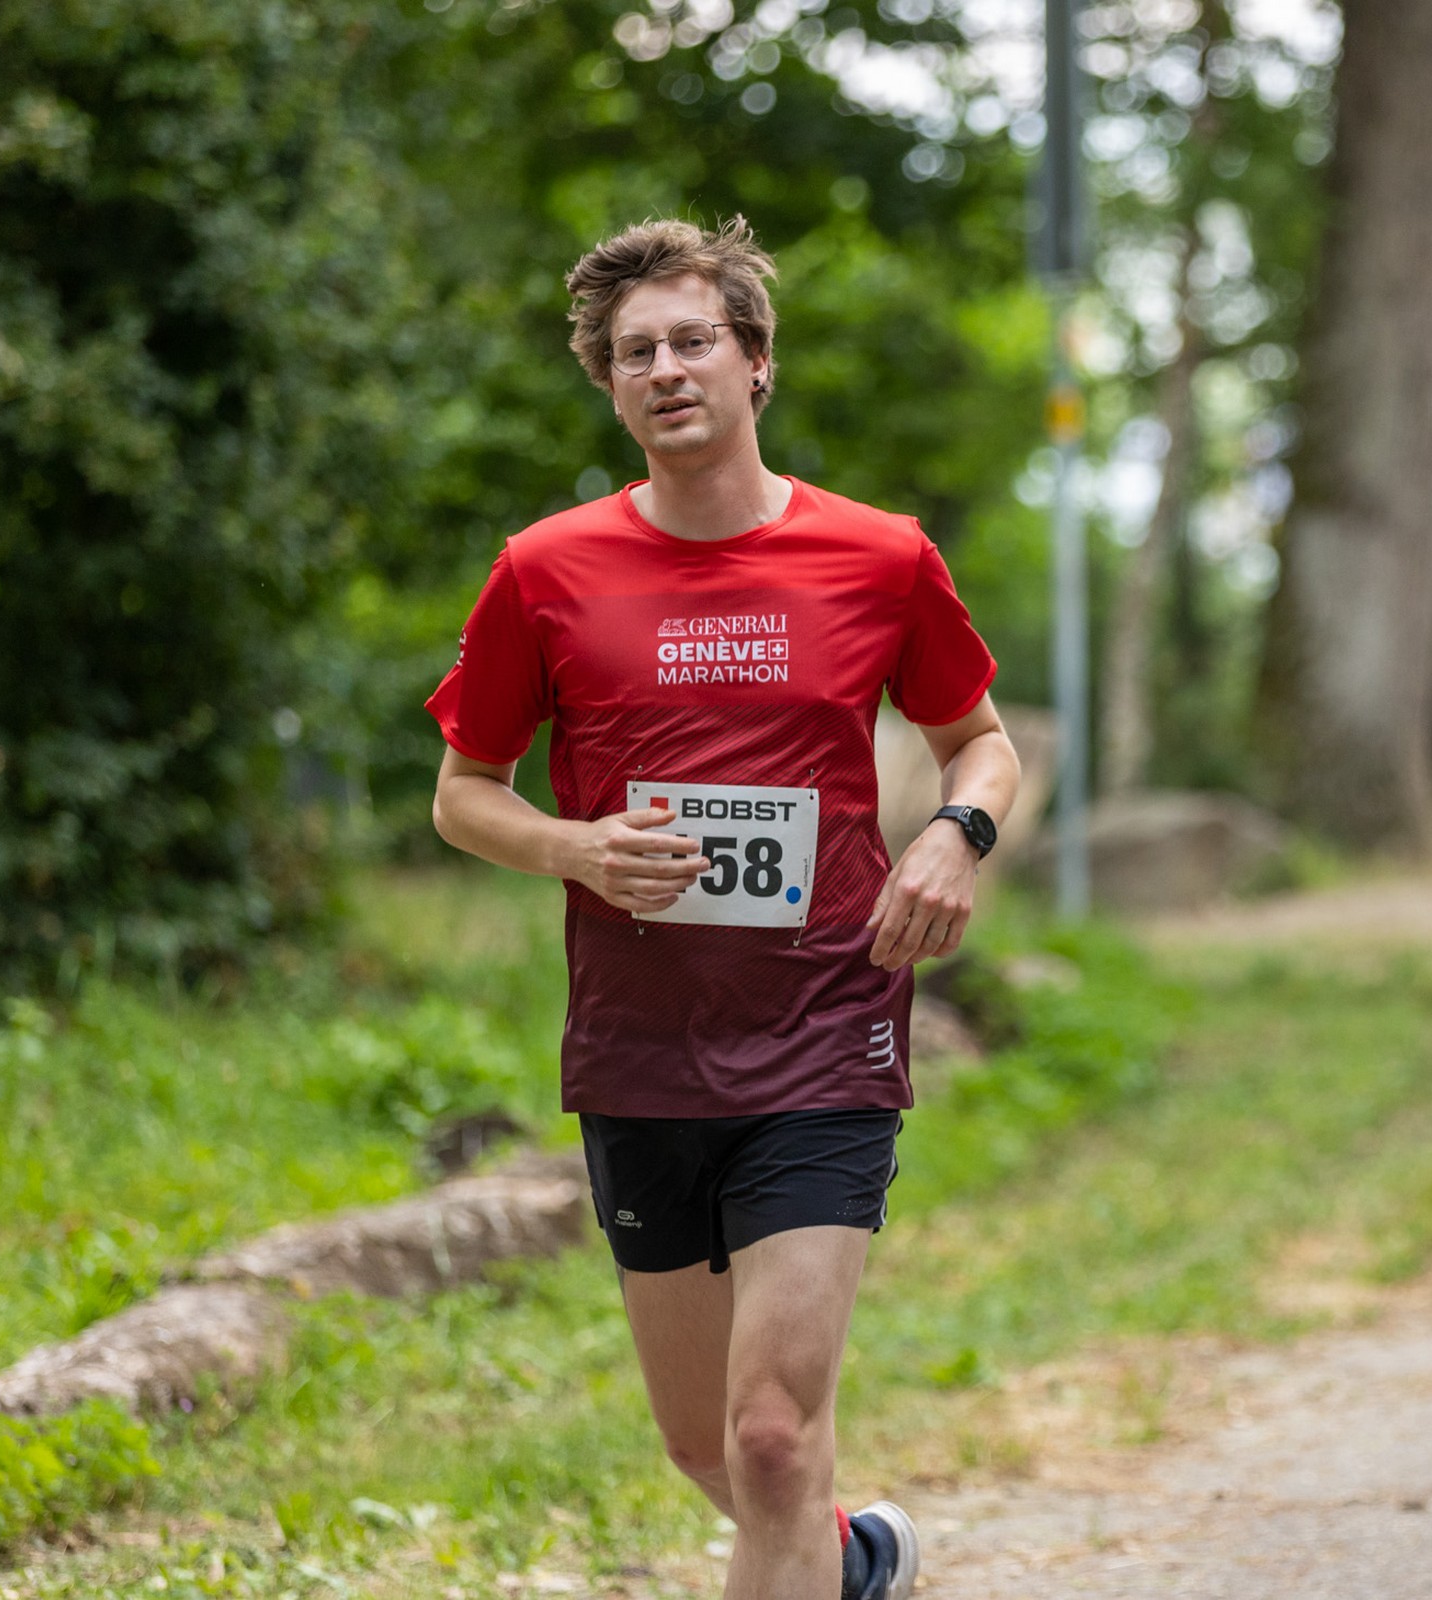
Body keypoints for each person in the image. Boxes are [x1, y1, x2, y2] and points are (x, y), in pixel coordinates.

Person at [427, 217, 1021, 1600]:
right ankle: (854, 1561)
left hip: (825, 1029)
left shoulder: (878, 555)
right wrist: (576, 848)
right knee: (705, 1443)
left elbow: (980, 743)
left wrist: (957, 835)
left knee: (770, 1439)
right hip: (640, 1047)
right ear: (610, 386)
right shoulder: (544, 570)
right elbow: (463, 794)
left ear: (755, 361)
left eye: (694, 340)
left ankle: (814, 1539)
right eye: (636, 353)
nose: (666, 369)